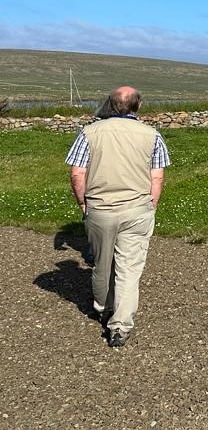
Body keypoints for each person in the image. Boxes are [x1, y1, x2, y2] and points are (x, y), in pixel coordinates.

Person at [65, 86, 169, 348]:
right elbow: (156, 175)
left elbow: (77, 173)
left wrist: (83, 203)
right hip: (137, 209)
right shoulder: (152, 134)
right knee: (129, 269)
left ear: (110, 104)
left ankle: (103, 307)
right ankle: (121, 326)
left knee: (102, 263)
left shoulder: (89, 132)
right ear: (138, 105)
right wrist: (151, 204)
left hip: (100, 208)